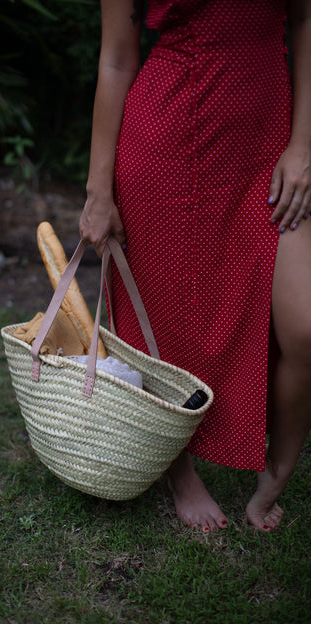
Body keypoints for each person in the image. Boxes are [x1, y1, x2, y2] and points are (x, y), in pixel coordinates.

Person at [79, 0, 311, 532]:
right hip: (164, 138)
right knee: (158, 318)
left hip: (270, 147)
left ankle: (277, 466)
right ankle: (178, 470)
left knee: (303, 326)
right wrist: (98, 187)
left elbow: (303, 19)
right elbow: (116, 57)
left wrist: (303, 145)